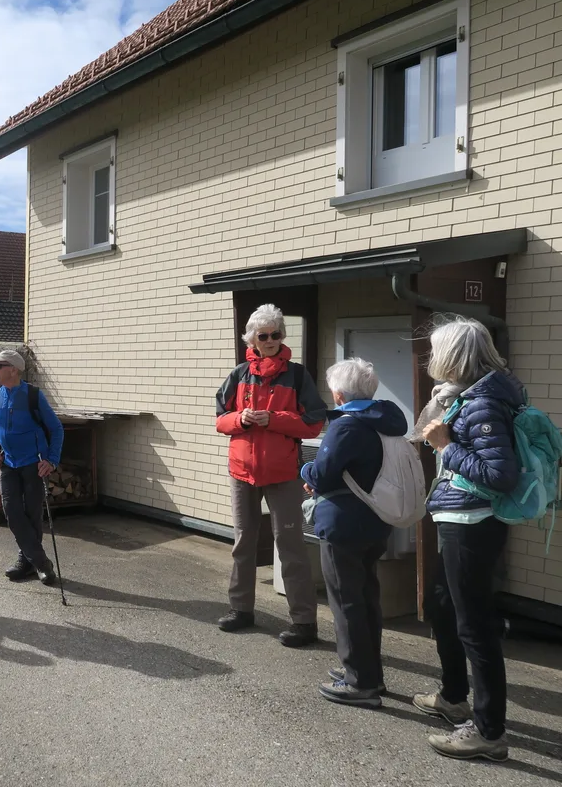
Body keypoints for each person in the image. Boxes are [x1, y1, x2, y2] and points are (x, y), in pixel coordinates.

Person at [414, 317, 519, 762]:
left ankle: (489, 731)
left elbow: (500, 475)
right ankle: (454, 696)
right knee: (442, 605)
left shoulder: (482, 405)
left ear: (455, 356)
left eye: (436, 351)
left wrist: (443, 446)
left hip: (473, 521)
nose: (430, 359)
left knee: (474, 624)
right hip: (458, 517)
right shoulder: (468, 398)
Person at [214, 303, 326, 647]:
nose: (270, 340)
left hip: (282, 474)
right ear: (252, 339)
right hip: (242, 472)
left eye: (276, 334)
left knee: (290, 545)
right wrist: (241, 419)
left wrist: (273, 419)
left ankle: (304, 622)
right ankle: (241, 610)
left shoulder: (297, 375)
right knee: (243, 543)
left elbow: (315, 422)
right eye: (263, 336)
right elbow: (220, 419)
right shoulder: (238, 374)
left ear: (282, 335)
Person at [300, 358, 405, 707]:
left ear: (339, 392)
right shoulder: (385, 421)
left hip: (344, 521)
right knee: (366, 598)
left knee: (346, 603)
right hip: (375, 519)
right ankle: (368, 672)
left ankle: (360, 681)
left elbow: (322, 474)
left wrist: (305, 468)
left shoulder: (346, 426)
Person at [0, 349, 65, 586]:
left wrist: (52, 460)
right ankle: (41, 563)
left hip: (35, 464)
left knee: (32, 514)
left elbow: (56, 429)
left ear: (13, 370)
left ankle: (26, 562)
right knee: (12, 512)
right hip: (7, 462)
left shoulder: (33, 396)